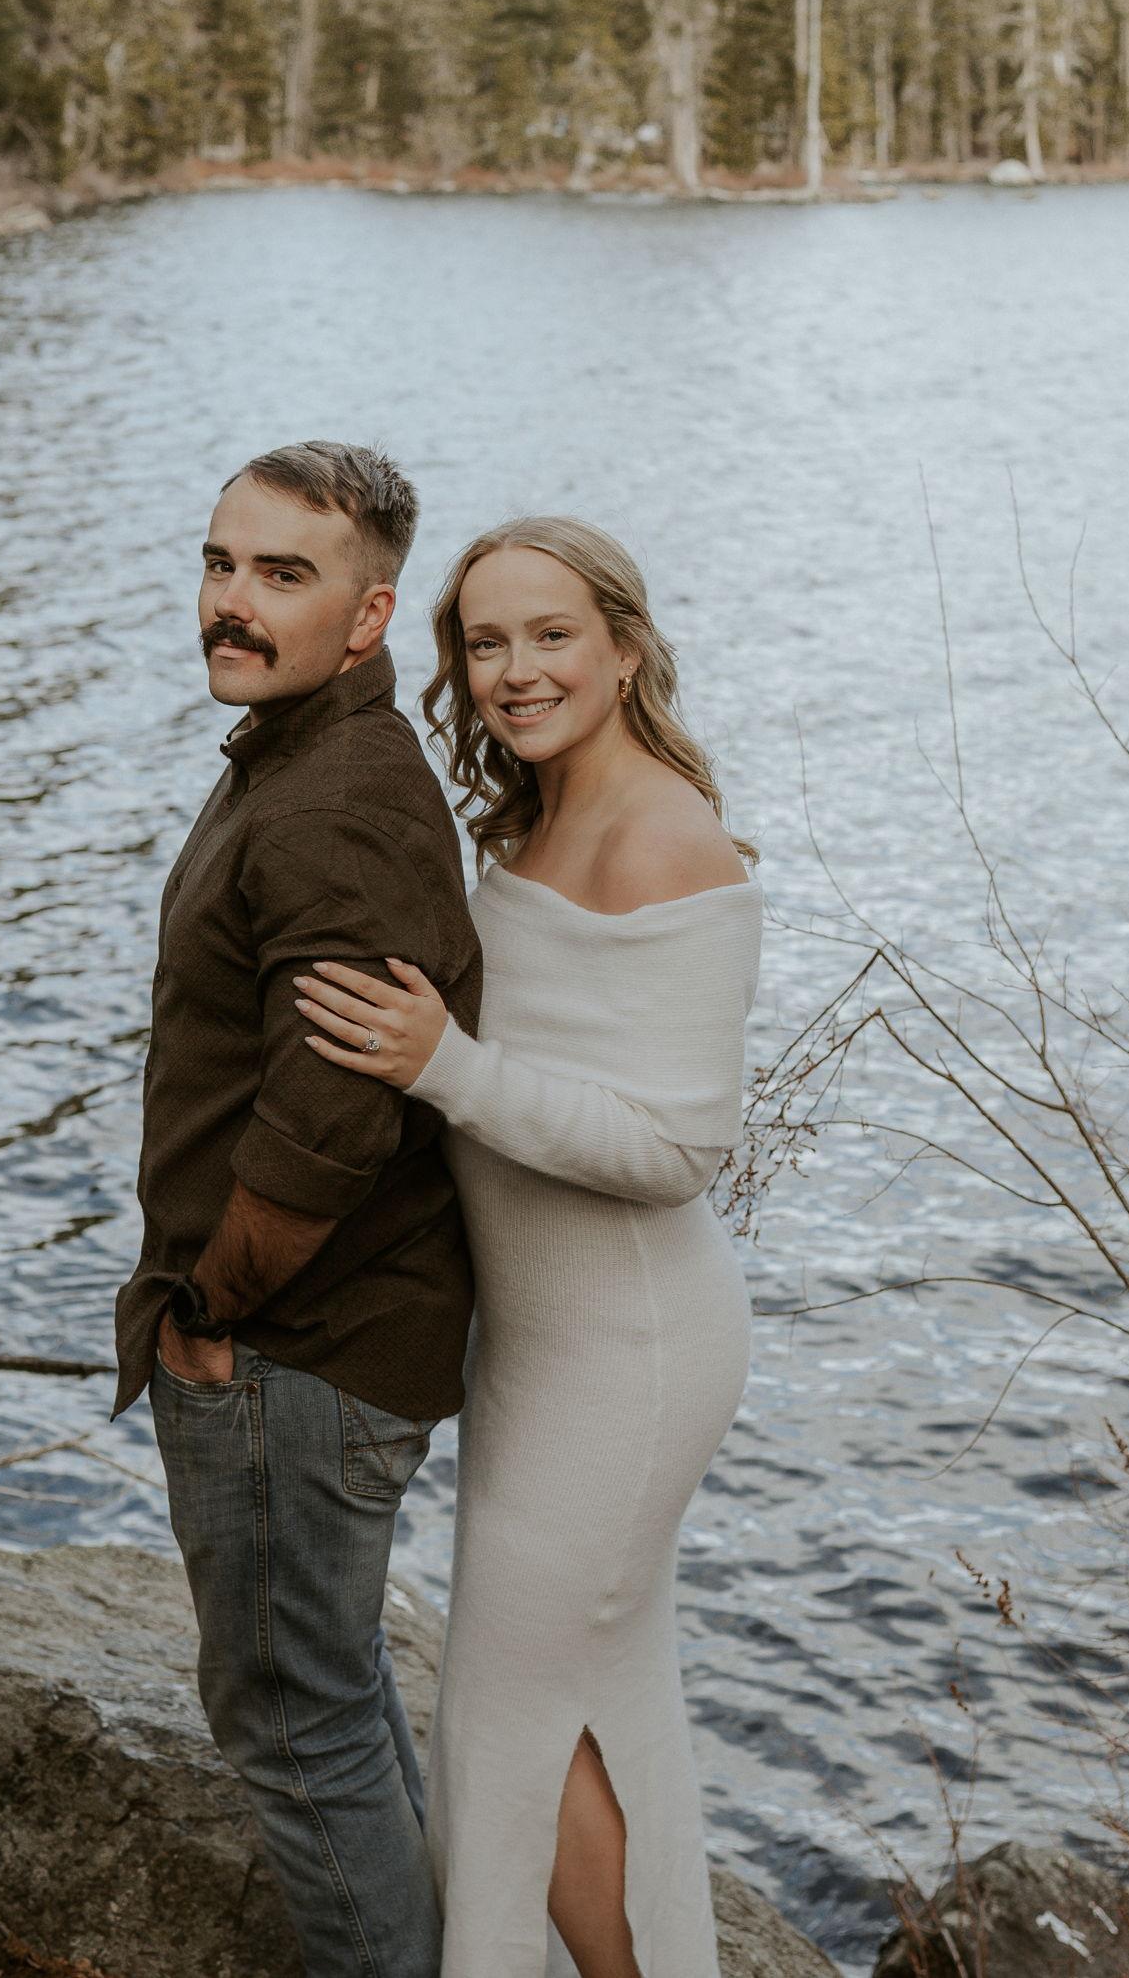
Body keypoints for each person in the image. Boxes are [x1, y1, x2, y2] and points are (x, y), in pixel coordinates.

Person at [292, 516, 761, 1978]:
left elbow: (681, 1149)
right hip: (540, 1345)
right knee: (591, 1698)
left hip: (630, 1348)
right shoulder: (535, 818)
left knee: (512, 1717)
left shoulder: (665, 837)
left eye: (552, 635)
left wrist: (447, 1065)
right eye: (486, 642)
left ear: (626, 646)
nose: (516, 671)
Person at [110, 441, 482, 1977]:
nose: (233, 603)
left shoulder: (333, 799)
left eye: (282, 575)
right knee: (331, 1692)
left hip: (292, 1351)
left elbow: (328, 1125)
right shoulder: (296, 752)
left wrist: (210, 1310)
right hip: (310, 1346)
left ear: (369, 612)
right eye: (221, 563)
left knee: (294, 1721)